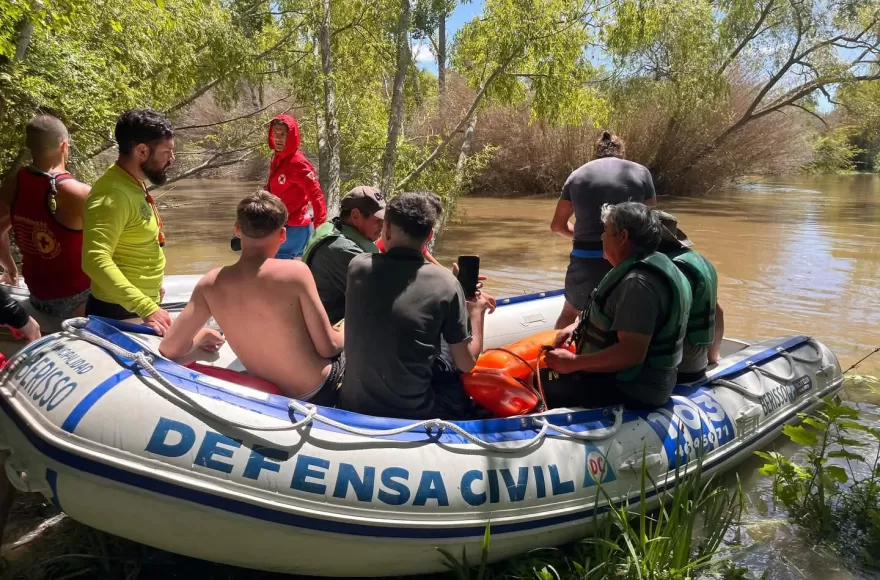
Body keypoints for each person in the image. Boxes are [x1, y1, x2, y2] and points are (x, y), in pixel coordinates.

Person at [160, 191, 344, 404]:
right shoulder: (296, 272)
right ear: (283, 235)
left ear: (237, 229)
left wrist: (201, 336)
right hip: (317, 390)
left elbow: (169, 348)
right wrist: (348, 330)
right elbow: (328, 346)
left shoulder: (210, 283)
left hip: (271, 394)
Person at [339, 192, 495, 419]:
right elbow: (466, 363)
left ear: (388, 229)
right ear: (430, 235)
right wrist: (476, 312)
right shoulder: (447, 285)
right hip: (413, 412)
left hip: (354, 403)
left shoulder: (357, 267)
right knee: (453, 369)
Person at [543, 202, 692, 409]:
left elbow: (631, 353)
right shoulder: (651, 265)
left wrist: (573, 362)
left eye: (606, 231)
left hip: (630, 388)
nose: (602, 237)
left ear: (623, 237)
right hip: (631, 381)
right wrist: (578, 327)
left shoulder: (637, 284)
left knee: (534, 382)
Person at [550, 131, 657, 329]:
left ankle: (552, 356)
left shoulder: (577, 175)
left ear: (596, 151)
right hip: (627, 259)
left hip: (585, 258)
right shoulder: (641, 172)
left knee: (569, 312)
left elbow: (557, 225)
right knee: (623, 316)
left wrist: (581, 236)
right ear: (622, 151)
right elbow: (651, 220)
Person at [81, 109, 174, 334]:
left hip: (135, 307)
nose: (172, 158)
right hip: (118, 314)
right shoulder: (113, 195)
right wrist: (145, 306)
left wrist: (149, 289)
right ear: (142, 151)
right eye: (167, 151)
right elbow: (94, 260)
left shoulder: (131, 181)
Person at [0, 115, 91, 318]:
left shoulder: (14, 184)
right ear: (64, 146)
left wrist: (11, 270)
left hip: (38, 297)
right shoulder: (79, 193)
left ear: (30, 147)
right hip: (81, 300)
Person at [655, 210, 724, 382]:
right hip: (698, 361)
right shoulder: (699, 260)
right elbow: (718, 311)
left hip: (679, 367)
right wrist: (713, 358)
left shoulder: (669, 267)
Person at [302, 186, 385, 324]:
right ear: (356, 216)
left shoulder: (335, 227)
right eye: (377, 221)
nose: (382, 227)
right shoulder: (343, 249)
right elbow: (384, 295)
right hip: (330, 330)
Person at [265, 115, 327, 259]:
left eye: (283, 134)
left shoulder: (298, 163)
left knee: (279, 271)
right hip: (280, 225)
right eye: (275, 134)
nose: (278, 139)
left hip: (296, 228)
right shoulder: (278, 158)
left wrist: (321, 230)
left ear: (291, 136)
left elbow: (316, 196)